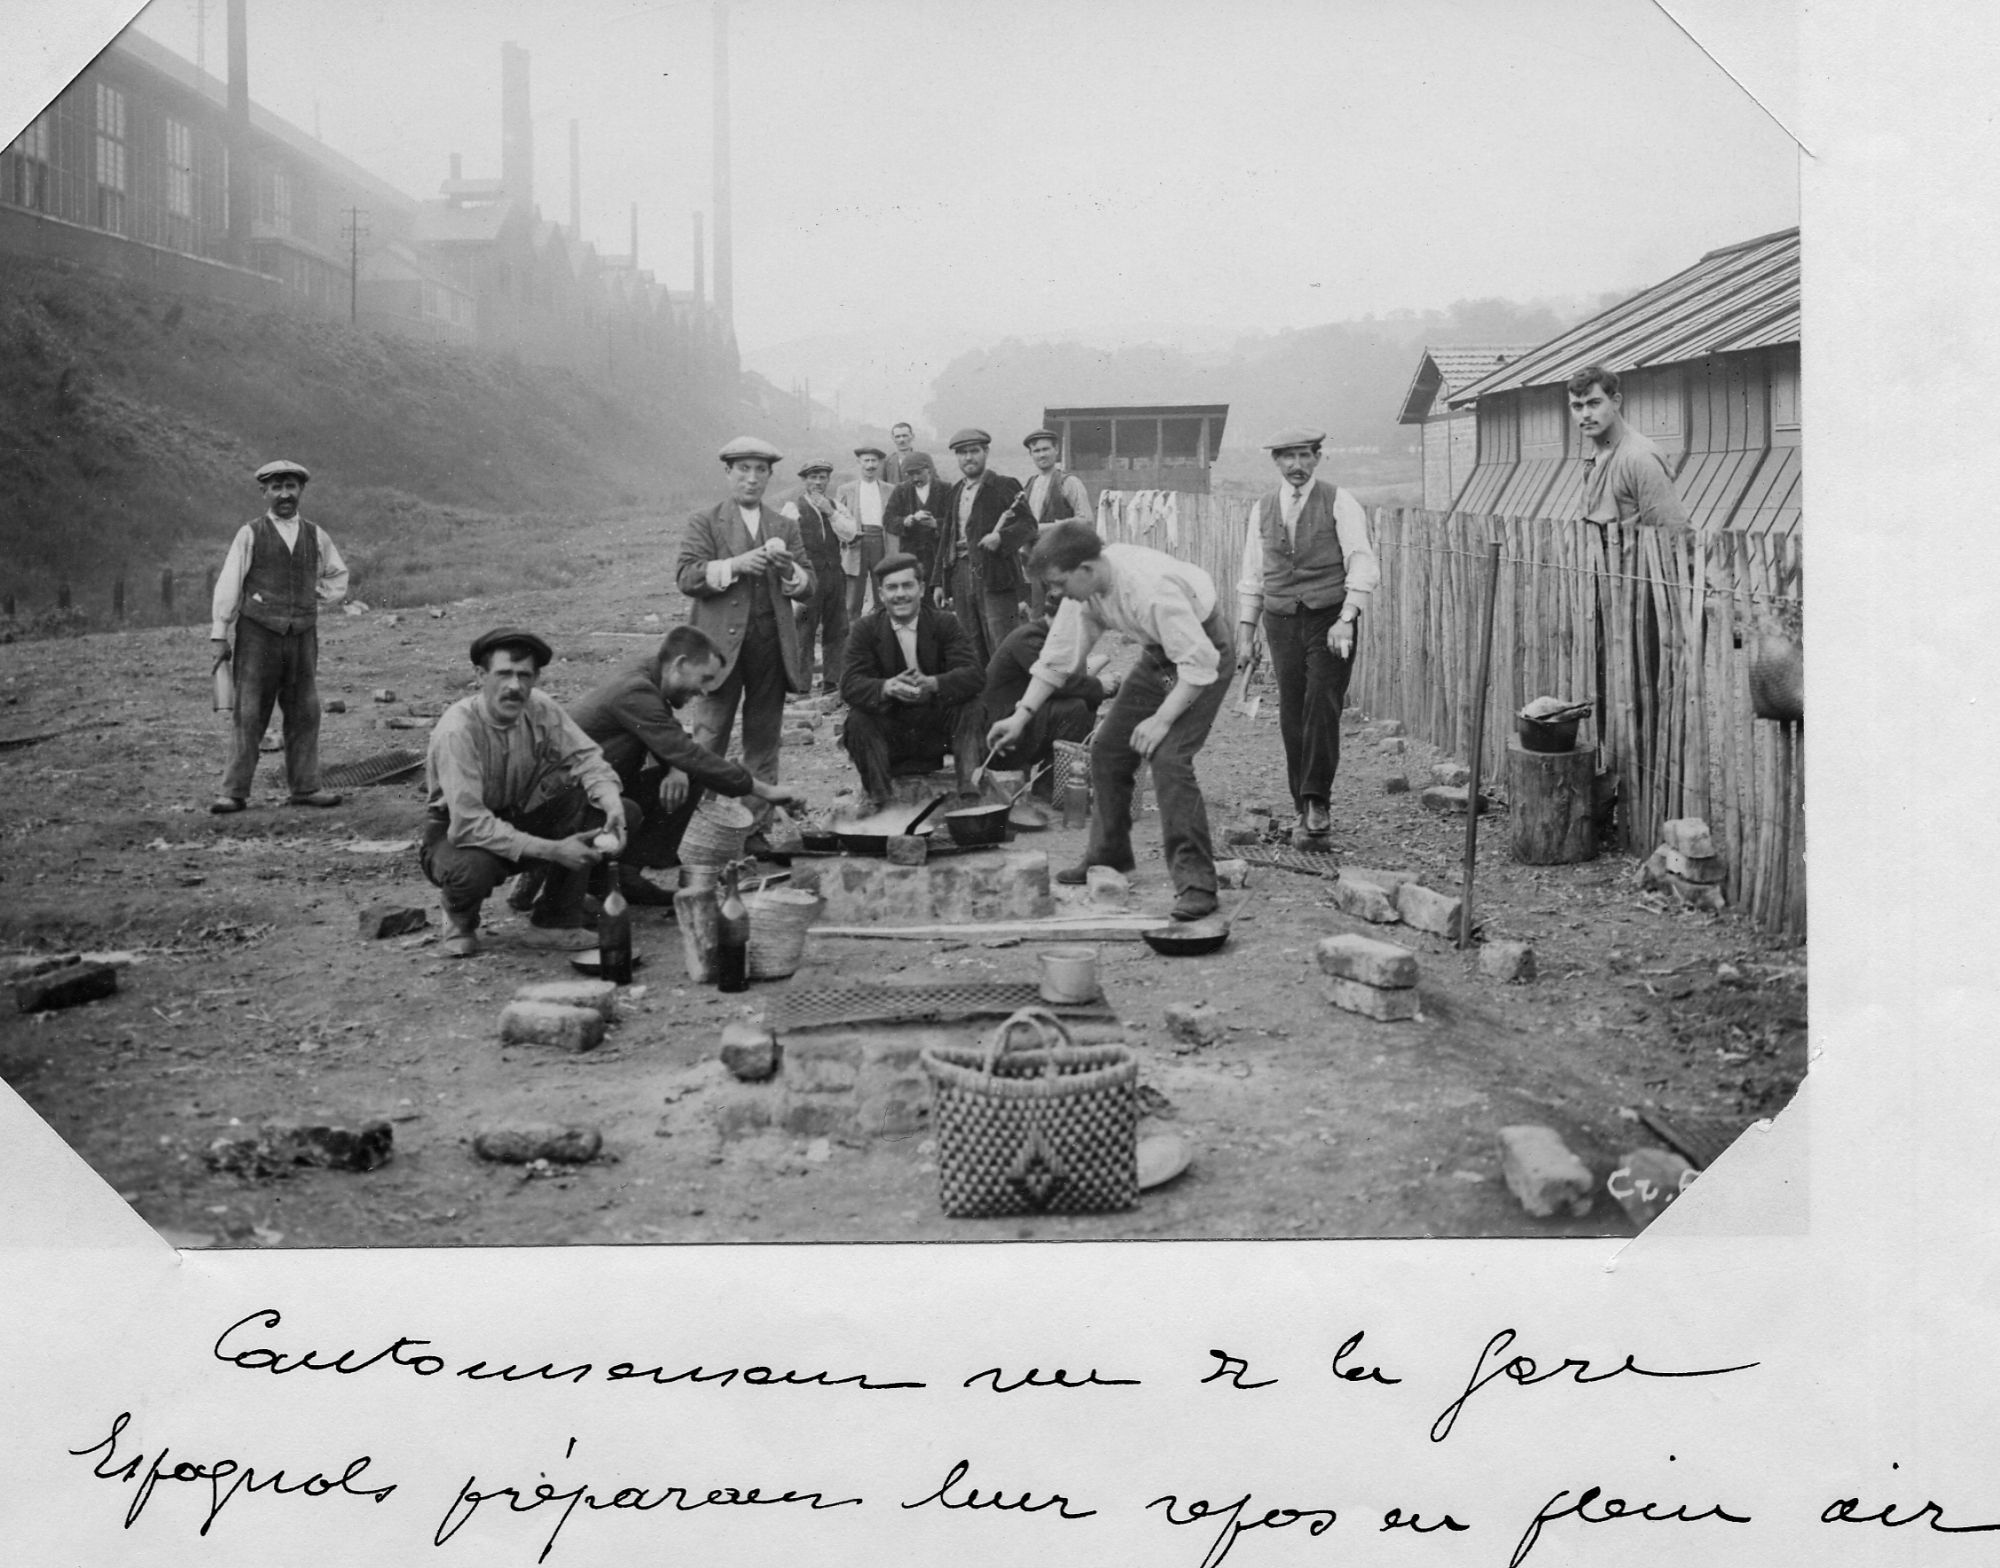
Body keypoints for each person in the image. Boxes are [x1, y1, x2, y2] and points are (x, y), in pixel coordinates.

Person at [988, 522, 1235, 922]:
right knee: (1107, 750)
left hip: (1203, 654)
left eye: (1057, 583)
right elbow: (1058, 659)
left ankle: (1197, 884)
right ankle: (1109, 855)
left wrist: (1161, 719)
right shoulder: (1081, 591)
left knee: (1169, 758)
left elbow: (1198, 665)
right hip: (1158, 657)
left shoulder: (1149, 589)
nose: (1053, 594)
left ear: (1086, 568)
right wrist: (1021, 715)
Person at [419, 628, 631, 958]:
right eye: (504, 674)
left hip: (516, 817)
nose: (515, 687)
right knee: (471, 870)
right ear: (480, 675)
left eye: (524, 675)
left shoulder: (540, 707)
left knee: (605, 809)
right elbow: (470, 824)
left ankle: (554, 923)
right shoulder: (457, 730)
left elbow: (586, 757)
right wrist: (554, 850)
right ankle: (458, 917)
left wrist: (612, 802)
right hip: (455, 832)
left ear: (535, 679)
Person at [568, 624, 807, 903]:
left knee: (688, 775)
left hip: (597, 781)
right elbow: (685, 749)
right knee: (684, 774)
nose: (705, 691)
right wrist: (765, 792)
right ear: (680, 664)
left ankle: (626, 873)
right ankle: (585, 880)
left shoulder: (650, 672)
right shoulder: (635, 691)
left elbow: (668, 734)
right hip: (571, 792)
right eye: (704, 679)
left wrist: (676, 767)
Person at [1234, 426, 1379, 844]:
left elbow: (1362, 564)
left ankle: (1317, 800)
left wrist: (1347, 617)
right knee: (1292, 709)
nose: (1296, 466)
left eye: (1304, 456)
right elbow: (1252, 575)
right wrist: (1246, 634)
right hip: (1280, 620)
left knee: (1322, 702)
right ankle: (1301, 803)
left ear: (1317, 458)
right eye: (1287, 457)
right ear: (1275, 461)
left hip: (1329, 618)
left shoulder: (1339, 502)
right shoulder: (1261, 508)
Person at [676, 436, 815, 845]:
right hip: (717, 651)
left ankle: (754, 828)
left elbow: (809, 585)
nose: (752, 479)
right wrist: (735, 564)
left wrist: (791, 573)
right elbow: (687, 576)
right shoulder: (705, 521)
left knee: (763, 738)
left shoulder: (784, 526)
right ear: (728, 473)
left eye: (760, 471)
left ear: (770, 476)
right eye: (743, 470)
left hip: (769, 644)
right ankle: (692, 828)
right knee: (708, 736)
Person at [207, 459, 349, 814]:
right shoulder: (250, 533)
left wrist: (312, 594)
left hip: (302, 634)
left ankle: (305, 788)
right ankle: (233, 792)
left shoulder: (316, 534)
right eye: (277, 487)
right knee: (250, 711)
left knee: (305, 711)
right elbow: (229, 583)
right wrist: (219, 632)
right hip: (258, 635)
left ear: (301, 490)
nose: (285, 494)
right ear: (265, 492)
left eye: (291, 487)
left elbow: (337, 575)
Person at [840, 553, 986, 811]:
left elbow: (974, 674)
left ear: (920, 589)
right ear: (881, 594)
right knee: (857, 719)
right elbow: (849, 684)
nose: (900, 595)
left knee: (971, 707)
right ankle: (882, 803)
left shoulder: (945, 623)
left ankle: (970, 797)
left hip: (937, 732)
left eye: (907, 586)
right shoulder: (865, 629)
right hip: (892, 733)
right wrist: (886, 688)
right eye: (892, 588)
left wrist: (933, 683)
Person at [979, 603, 1115, 794]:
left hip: (1013, 724)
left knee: (1083, 702)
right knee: (1075, 708)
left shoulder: (1047, 637)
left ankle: (1054, 780)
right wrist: (1099, 686)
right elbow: (1058, 681)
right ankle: (1050, 785)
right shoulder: (1029, 639)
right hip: (997, 737)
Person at [931, 427, 1031, 669]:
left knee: (1002, 638)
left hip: (995, 574)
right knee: (970, 641)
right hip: (960, 575)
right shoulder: (955, 491)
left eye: (974, 451)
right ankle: (982, 698)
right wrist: (938, 582)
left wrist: (1001, 538)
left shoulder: (1004, 485)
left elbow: (1028, 524)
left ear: (985, 452)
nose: (968, 458)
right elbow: (947, 538)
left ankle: (1010, 699)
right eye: (962, 453)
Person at [1569, 364, 1691, 528]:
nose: (1585, 414)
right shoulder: (1595, 458)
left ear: (1615, 402)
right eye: (1577, 406)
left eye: (1594, 403)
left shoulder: (1639, 458)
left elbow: (1676, 533)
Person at [784, 458, 852, 695]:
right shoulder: (793, 508)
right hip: (807, 576)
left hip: (834, 574)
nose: (818, 482)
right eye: (813, 477)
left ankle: (832, 683)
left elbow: (850, 533)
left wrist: (830, 512)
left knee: (837, 628)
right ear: (804, 480)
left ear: (828, 480)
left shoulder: (836, 506)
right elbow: (783, 543)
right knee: (804, 629)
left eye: (822, 477)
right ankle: (800, 686)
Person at [1011, 428, 1092, 616]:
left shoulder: (1069, 482)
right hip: (1035, 563)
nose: (1042, 455)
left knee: (1066, 618)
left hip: (1063, 562)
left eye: (1046, 449)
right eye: (1036, 451)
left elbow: (1086, 521)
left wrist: (1043, 529)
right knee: (1038, 618)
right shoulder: (1029, 485)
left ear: (1056, 451)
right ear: (1031, 455)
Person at [835, 444, 895, 621]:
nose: (870, 465)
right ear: (858, 463)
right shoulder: (846, 489)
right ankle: (851, 641)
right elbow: (836, 520)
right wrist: (847, 537)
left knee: (883, 593)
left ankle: (881, 638)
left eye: (874, 461)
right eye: (866, 461)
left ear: (880, 463)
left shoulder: (889, 489)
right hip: (856, 544)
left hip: (881, 543)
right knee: (852, 599)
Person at [883, 450, 944, 572]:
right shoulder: (900, 490)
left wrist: (936, 523)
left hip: (938, 552)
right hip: (910, 552)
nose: (915, 478)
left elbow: (954, 520)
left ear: (929, 470)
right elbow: (887, 520)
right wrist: (905, 521)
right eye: (910, 474)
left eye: (919, 473)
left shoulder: (945, 488)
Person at [882, 421, 933, 486]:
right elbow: (882, 486)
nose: (901, 440)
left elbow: (934, 484)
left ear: (912, 436)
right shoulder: (887, 461)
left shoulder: (923, 459)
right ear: (893, 438)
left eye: (905, 436)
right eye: (898, 436)